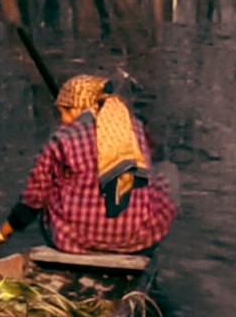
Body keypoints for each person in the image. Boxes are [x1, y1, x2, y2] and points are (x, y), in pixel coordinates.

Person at [10, 68, 175, 259]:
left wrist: (5, 231)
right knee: (166, 172)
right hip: (134, 239)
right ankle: (144, 247)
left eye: (67, 111)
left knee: (52, 182)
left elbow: (34, 198)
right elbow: (152, 160)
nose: (63, 118)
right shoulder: (135, 127)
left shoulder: (62, 138)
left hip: (72, 241)